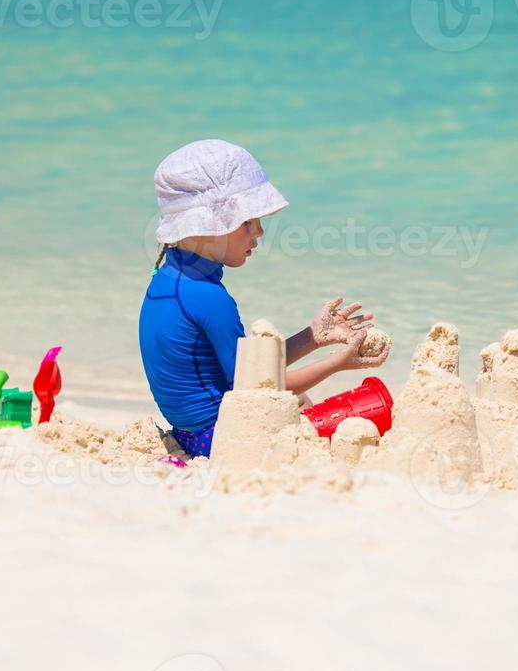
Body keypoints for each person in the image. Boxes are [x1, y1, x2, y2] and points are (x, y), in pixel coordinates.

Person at [138, 139, 389, 457]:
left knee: (299, 401)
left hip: (190, 434)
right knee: (356, 420)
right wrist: (337, 363)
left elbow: (247, 368)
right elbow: (257, 388)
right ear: (205, 227)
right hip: (221, 438)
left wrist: (313, 337)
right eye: (246, 221)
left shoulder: (169, 279)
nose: (259, 231)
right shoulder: (210, 299)